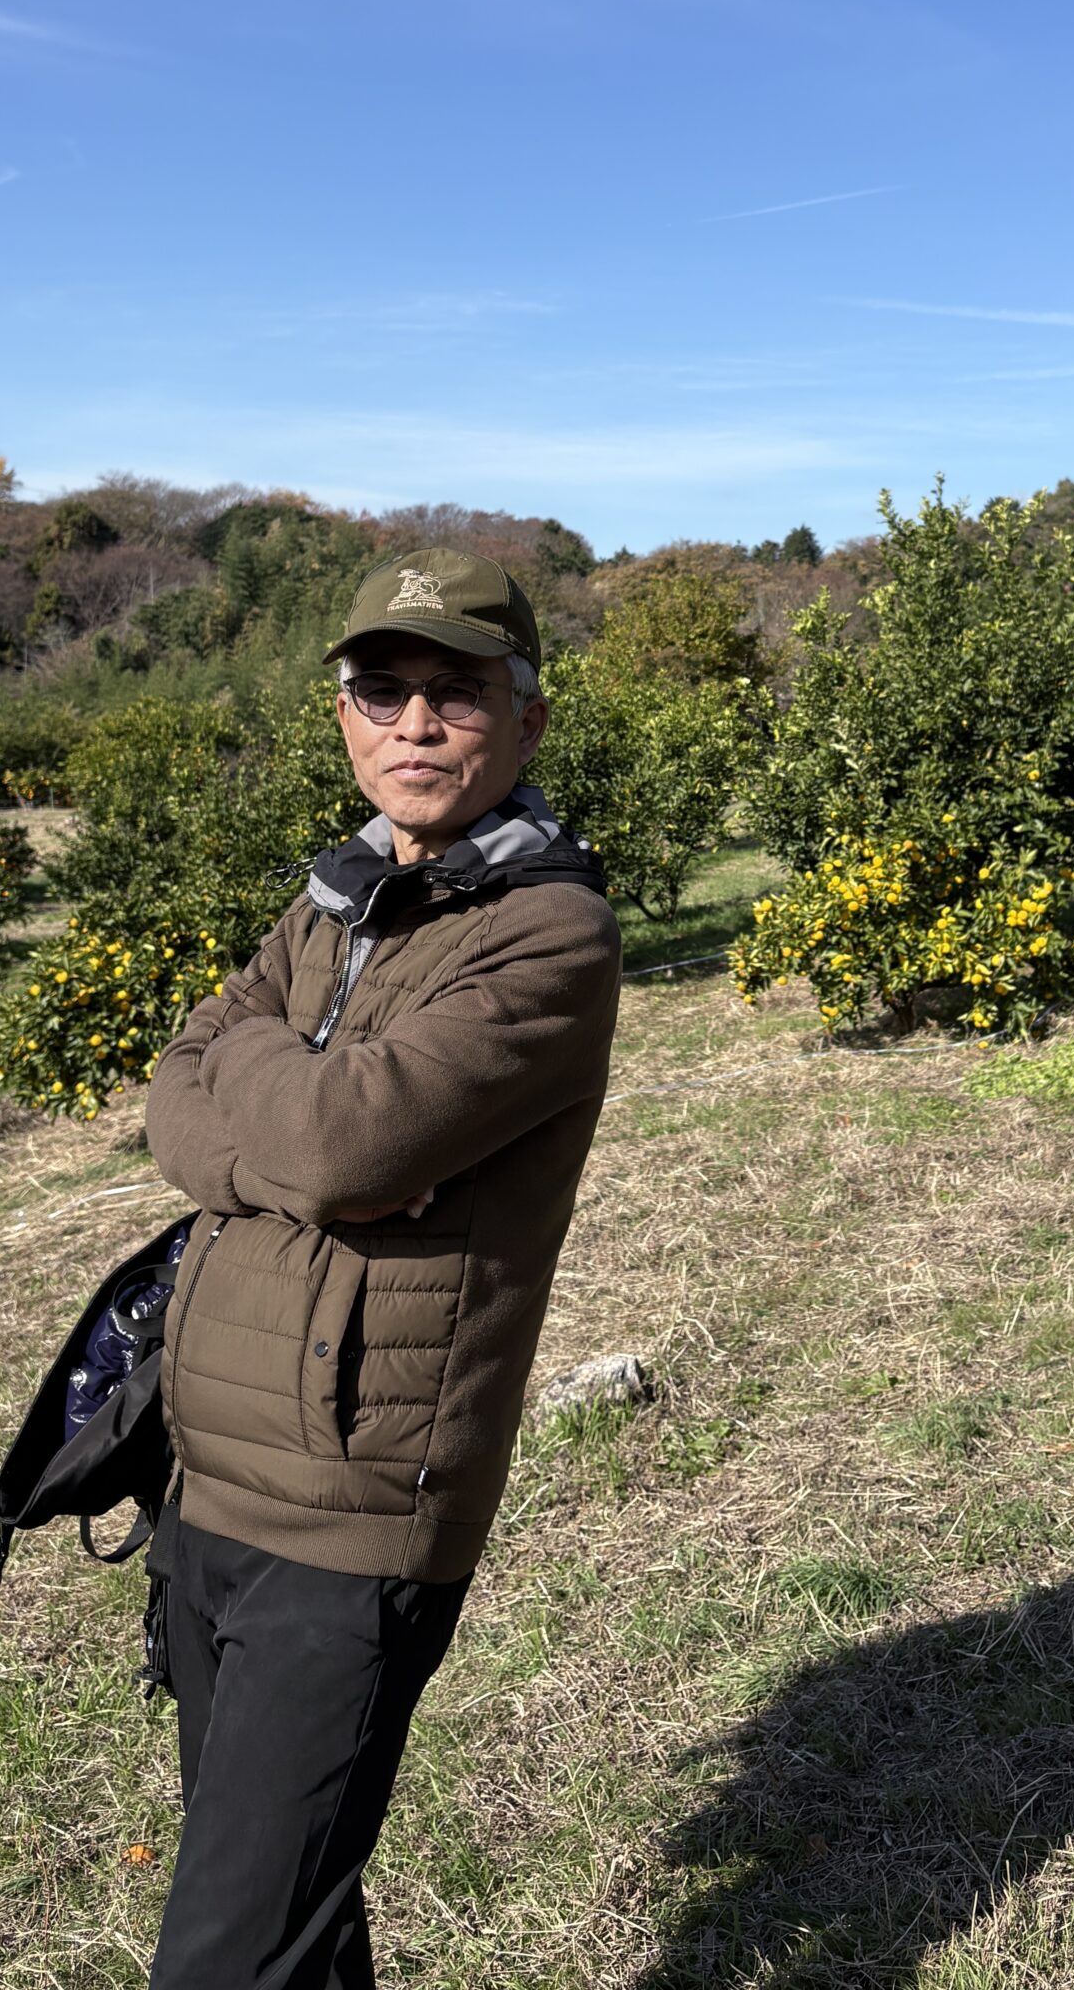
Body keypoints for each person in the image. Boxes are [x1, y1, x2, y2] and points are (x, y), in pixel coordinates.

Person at [142, 547, 621, 1989]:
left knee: (228, 1958)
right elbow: (176, 1090)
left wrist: (279, 1107)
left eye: (456, 692)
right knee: (295, 1925)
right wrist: (281, 1136)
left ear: (525, 719)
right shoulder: (333, 900)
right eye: (381, 689)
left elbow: (340, 1142)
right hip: (210, 1478)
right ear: (343, 714)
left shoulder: (549, 932)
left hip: (352, 1516)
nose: (414, 723)